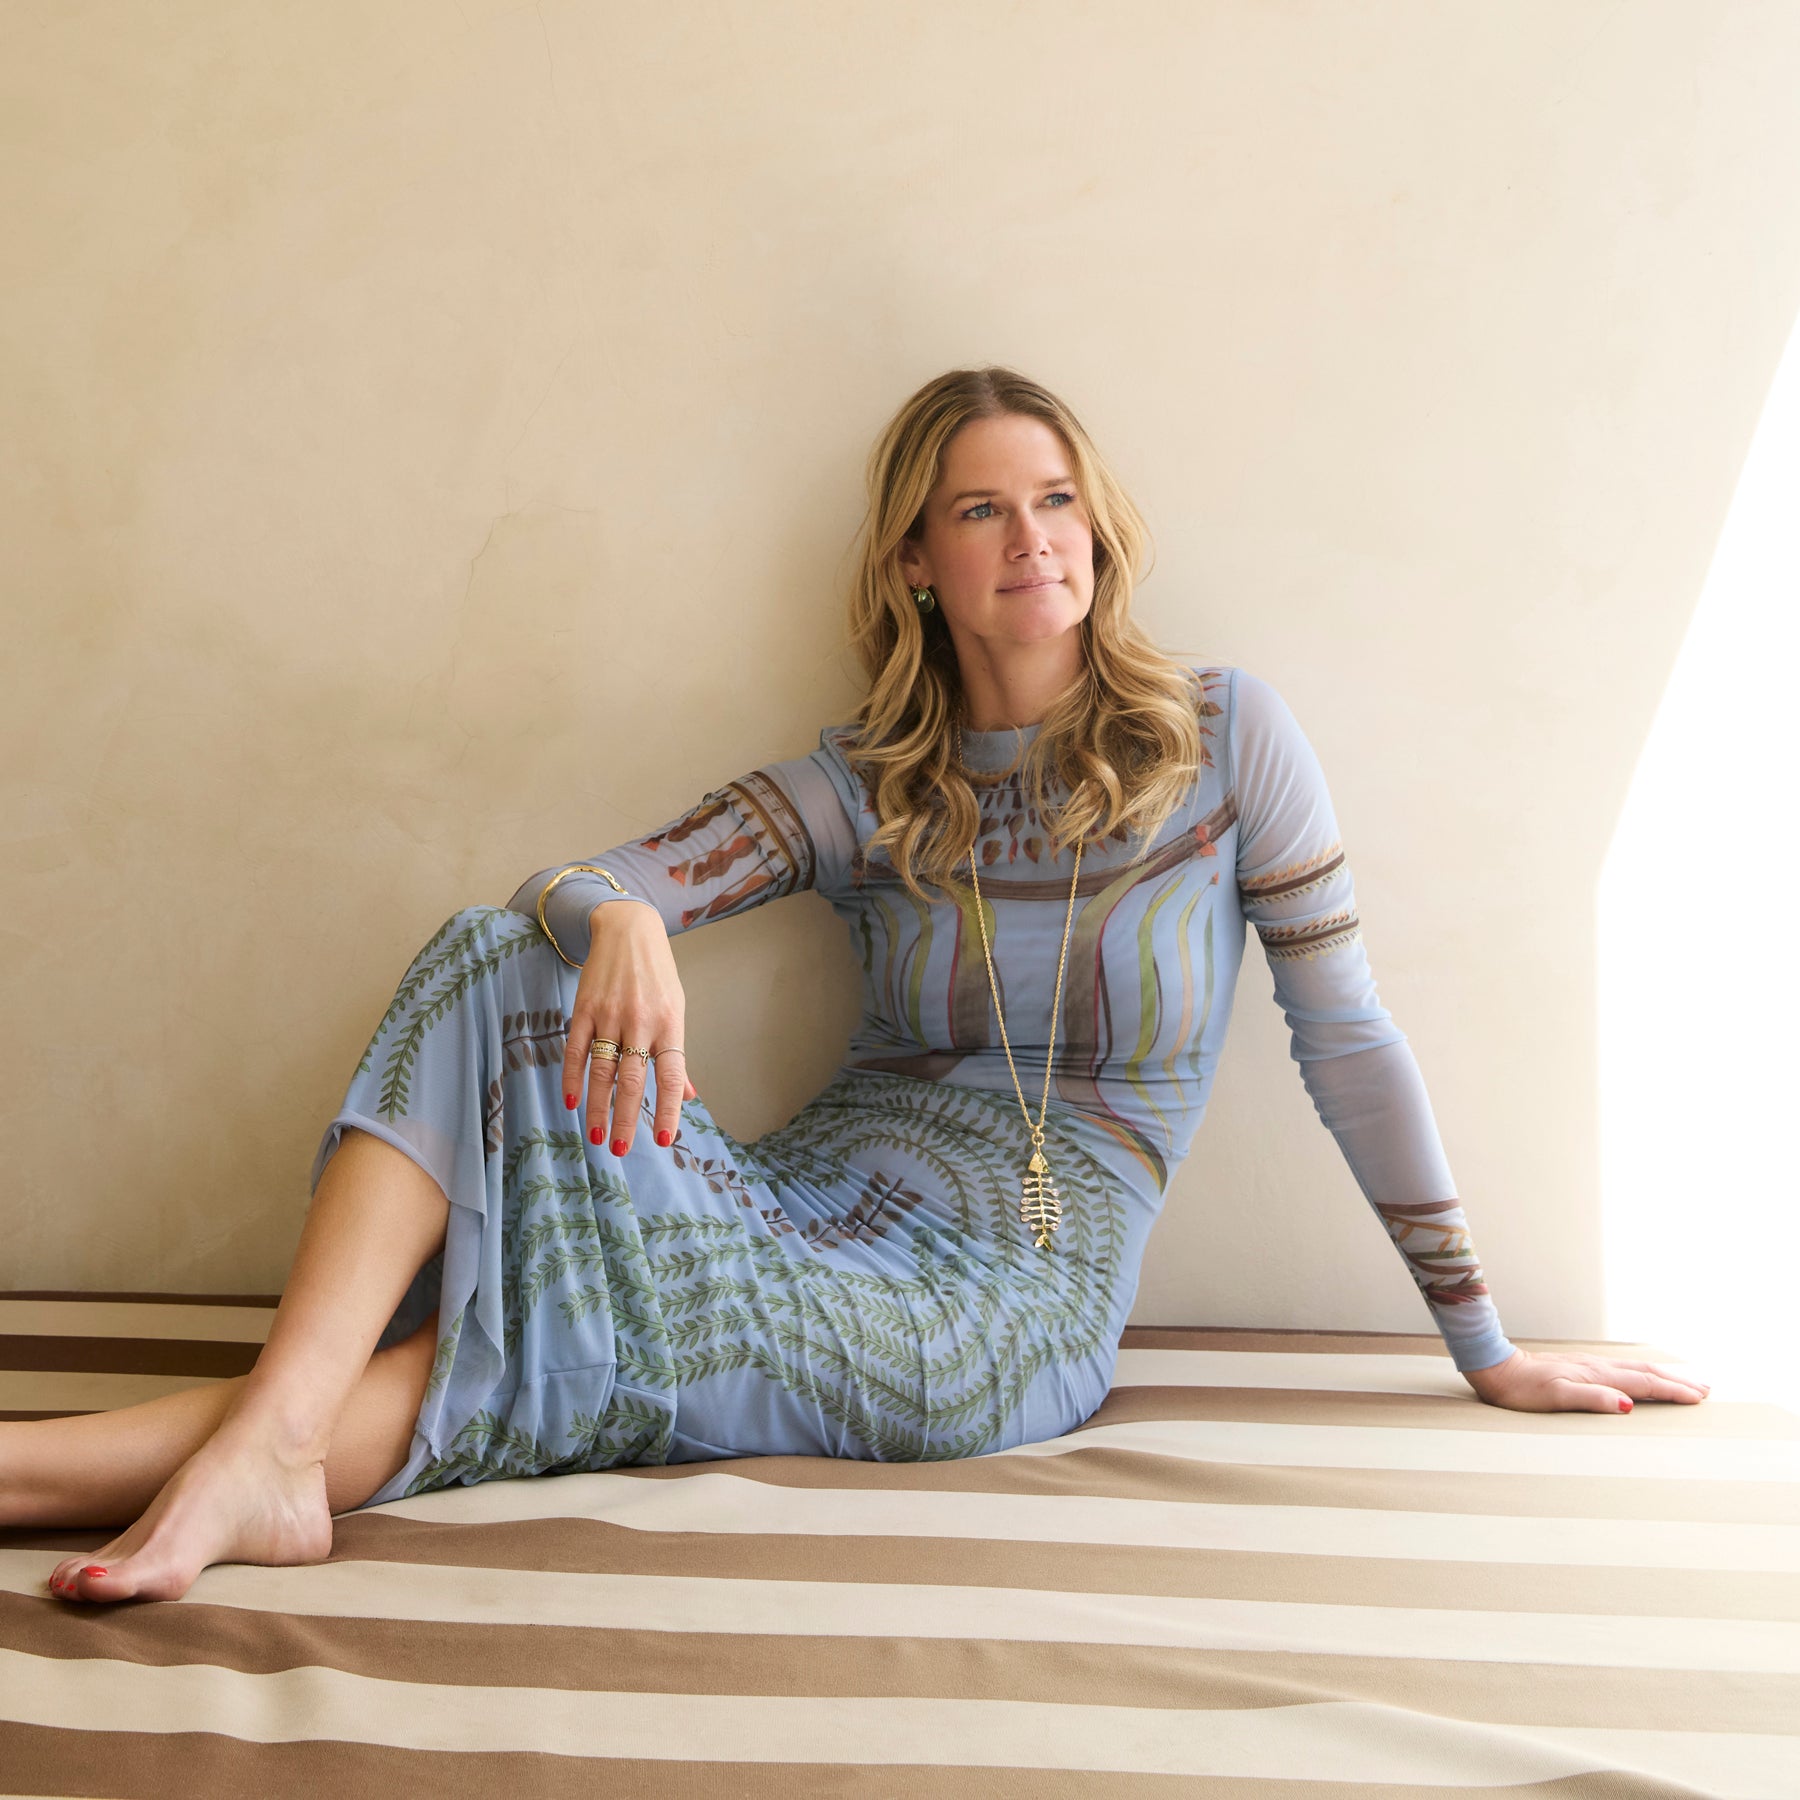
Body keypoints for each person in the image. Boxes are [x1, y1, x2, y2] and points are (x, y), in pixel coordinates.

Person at [18, 365, 1710, 1607]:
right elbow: (580, 884)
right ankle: (269, 1456)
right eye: (980, 506)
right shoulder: (872, 783)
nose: (1029, 537)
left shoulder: (1225, 743)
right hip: (794, 1209)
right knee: (490, 949)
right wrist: (618, 923)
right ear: (918, 557)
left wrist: (1483, 1343)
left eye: (1054, 499)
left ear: (1099, 531)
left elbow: (1345, 1037)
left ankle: (195, 1454)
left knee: (601, 1310)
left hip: (998, 1307)